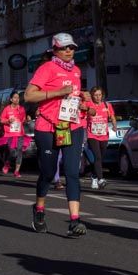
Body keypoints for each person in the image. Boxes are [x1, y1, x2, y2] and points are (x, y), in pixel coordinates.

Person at [25, 34, 90, 237]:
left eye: (71, 47)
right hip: (48, 126)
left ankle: (74, 221)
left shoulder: (77, 71)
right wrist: (57, 93)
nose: (68, 51)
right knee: (48, 172)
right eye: (64, 48)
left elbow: (73, 97)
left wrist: (83, 100)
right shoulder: (46, 69)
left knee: (72, 172)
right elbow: (29, 95)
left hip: (72, 125)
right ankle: (39, 209)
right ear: (55, 50)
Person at [83, 87, 115, 190]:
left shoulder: (107, 105)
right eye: (96, 95)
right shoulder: (89, 105)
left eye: (99, 95)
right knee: (97, 157)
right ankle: (101, 179)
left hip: (104, 135)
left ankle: (94, 176)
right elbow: (83, 114)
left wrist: (114, 125)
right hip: (92, 135)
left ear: (102, 95)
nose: (98, 97)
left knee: (99, 158)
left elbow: (112, 116)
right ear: (92, 95)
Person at [0, 91, 28, 177]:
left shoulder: (21, 109)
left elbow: (23, 119)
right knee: (12, 152)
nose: (17, 99)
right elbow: (1, 120)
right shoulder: (7, 109)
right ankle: (7, 163)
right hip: (10, 134)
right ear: (11, 99)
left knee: (19, 151)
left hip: (19, 133)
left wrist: (26, 120)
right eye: (15, 97)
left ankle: (17, 171)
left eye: (18, 98)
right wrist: (8, 121)